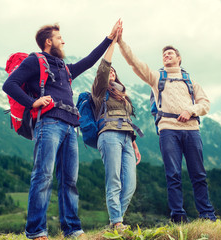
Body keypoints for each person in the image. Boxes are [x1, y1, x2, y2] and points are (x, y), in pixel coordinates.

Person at [2, 20, 122, 239]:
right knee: (43, 176)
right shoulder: (34, 61)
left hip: (70, 127)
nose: (63, 41)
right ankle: (36, 231)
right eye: (59, 38)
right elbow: (8, 84)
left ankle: (73, 230)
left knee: (69, 180)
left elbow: (89, 60)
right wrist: (33, 103)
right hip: (48, 123)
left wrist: (109, 38)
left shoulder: (64, 68)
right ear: (49, 42)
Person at [116, 27, 216, 223]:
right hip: (168, 130)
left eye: (170, 53)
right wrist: (120, 42)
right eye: (164, 54)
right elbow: (134, 62)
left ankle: (207, 215)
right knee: (173, 174)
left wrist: (191, 110)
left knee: (199, 174)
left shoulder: (191, 82)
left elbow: (205, 104)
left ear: (179, 58)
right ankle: (178, 216)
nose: (166, 56)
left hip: (192, 130)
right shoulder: (156, 77)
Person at [91, 27, 141, 229]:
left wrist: (135, 144)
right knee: (114, 180)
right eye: (109, 71)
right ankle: (117, 222)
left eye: (114, 71)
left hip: (127, 138)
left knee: (129, 184)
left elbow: (127, 119)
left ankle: (114, 223)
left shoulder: (124, 96)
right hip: (109, 135)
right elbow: (104, 67)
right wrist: (112, 43)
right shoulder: (99, 91)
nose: (111, 72)